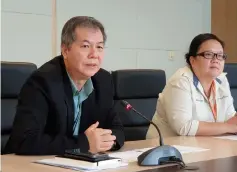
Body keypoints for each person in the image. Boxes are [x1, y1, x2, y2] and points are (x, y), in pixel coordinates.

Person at [5, 16, 125, 155]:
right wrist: (85, 143)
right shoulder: (42, 82)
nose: (94, 54)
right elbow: (25, 141)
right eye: (85, 46)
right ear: (65, 50)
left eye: (99, 47)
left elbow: (117, 129)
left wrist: (107, 141)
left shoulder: (103, 80)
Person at [146, 33, 237, 138]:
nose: (216, 59)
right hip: (167, 148)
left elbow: (229, 117)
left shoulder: (221, 79)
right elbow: (184, 127)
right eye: (208, 54)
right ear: (192, 60)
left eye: (220, 55)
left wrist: (231, 123)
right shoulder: (181, 81)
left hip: (205, 144)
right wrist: (230, 127)